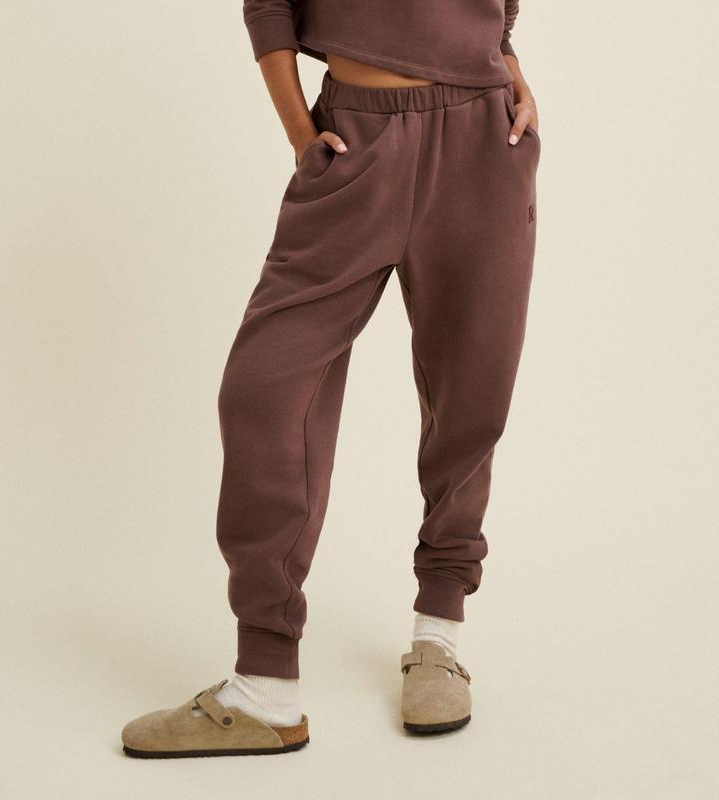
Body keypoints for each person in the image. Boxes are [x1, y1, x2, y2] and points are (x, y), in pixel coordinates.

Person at [121, 0, 539, 758]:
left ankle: (439, 634)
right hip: (354, 142)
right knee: (263, 388)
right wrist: (299, 134)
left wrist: (509, 61)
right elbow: (269, 5)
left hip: (483, 139)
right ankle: (264, 683)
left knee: (472, 391)